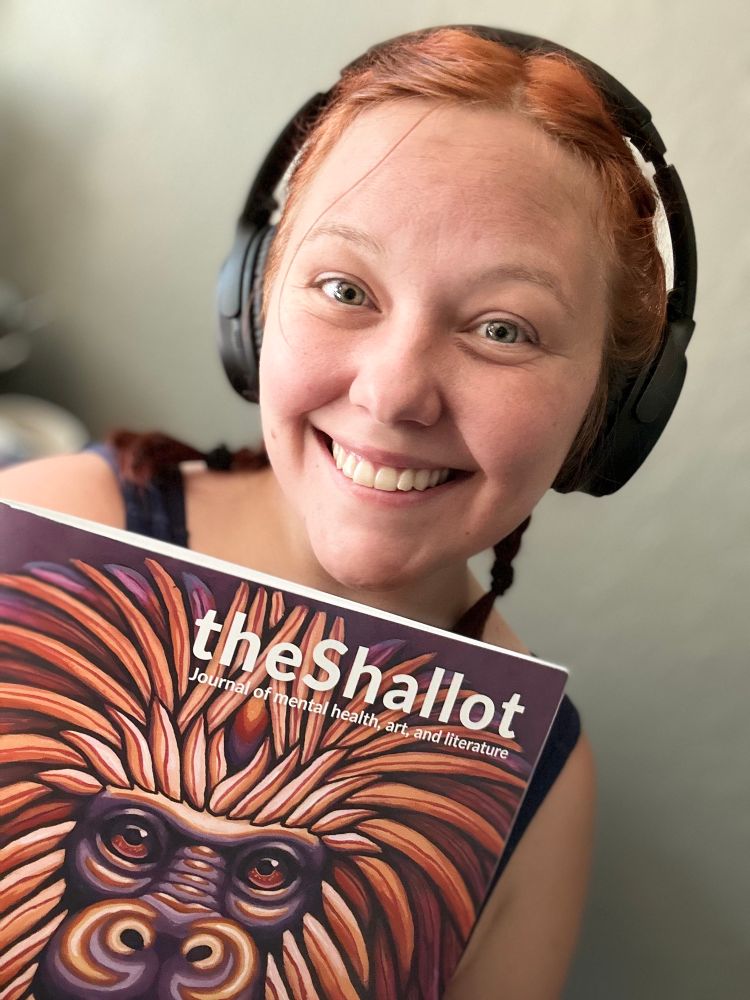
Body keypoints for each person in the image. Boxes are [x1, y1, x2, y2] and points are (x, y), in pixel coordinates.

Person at [0, 25, 686, 998]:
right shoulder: (39, 538)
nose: (395, 393)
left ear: (607, 414)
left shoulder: (539, 778)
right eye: (345, 288)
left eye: (503, 328)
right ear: (257, 301)